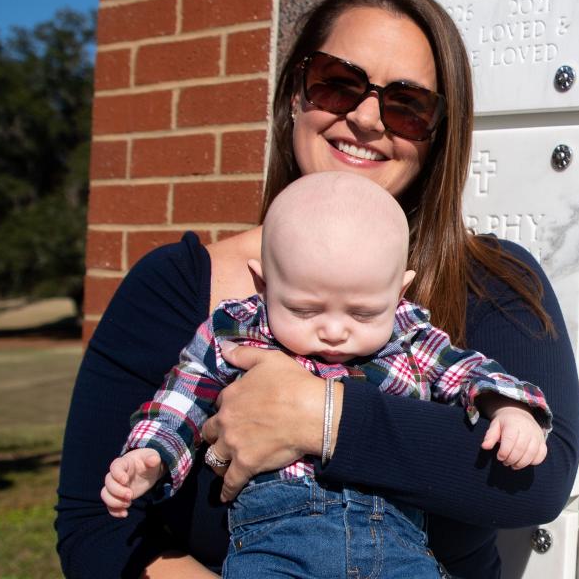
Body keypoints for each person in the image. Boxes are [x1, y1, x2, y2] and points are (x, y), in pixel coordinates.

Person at [56, 0, 579, 579]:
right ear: (295, 98)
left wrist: (321, 417)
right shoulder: (185, 293)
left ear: (439, 136)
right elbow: (95, 529)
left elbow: (539, 481)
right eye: (338, 83)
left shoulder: (493, 281)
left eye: (408, 104)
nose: (364, 118)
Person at [101, 172, 552, 577]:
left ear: (400, 292)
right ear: (263, 284)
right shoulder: (237, 332)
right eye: (304, 309)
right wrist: (153, 454)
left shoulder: (410, 336)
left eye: (363, 312)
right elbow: (182, 396)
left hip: (397, 546)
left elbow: (468, 370)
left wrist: (507, 406)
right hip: (274, 546)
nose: (334, 331)